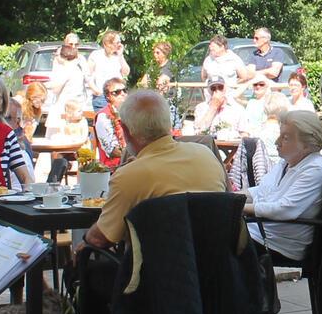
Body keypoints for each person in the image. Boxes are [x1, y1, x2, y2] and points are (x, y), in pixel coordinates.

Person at [80, 90, 228, 251]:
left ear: (125, 129)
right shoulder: (205, 155)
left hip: (160, 270)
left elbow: (99, 239)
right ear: (168, 123)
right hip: (218, 266)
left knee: (83, 258)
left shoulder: (130, 176)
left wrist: (84, 241)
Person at [241, 110, 322, 260]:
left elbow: (285, 209)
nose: (277, 142)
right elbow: (264, 191)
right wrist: (226, 197)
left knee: (211, 234)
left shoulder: (314, 169)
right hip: (258, 230)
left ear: (307, 145)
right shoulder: (287, 162)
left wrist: (238, 207)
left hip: (276, 243)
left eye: (286, 138)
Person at [46, 32, 89, 116]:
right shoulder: (59, 60)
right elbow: (56, 83)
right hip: (63, 100)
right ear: (65, 44)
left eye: (76, 44)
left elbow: (87, 78)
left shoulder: (82, 59)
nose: (73, 47)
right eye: (70, 44)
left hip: (78, 101)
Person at [87, 29, 130, 109]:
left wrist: (121, 56)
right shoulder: (96, 55)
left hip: (117, 95)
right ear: (108, 43)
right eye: (117, 42)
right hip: (102, 97)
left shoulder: (118, 56)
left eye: (120, 42)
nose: (120, 45)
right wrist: (95, 90)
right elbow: (88, 75)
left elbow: (126, 72)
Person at [94, 78, 129, 169]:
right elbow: (112, 151)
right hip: (114, 168)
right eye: (117, 92)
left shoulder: (131, 113)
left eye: (124, 90)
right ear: (108, 97)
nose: (122, 94)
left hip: (132, 163)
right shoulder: (103, 117)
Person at [260, 92, 290, 158]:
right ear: (281, 110)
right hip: (279, 165)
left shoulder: (258, 130)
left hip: (260, 165)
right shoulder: (283, 132)